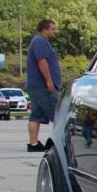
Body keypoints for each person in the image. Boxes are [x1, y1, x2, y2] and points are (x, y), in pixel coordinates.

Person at [25, 19, 62, 152]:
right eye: (52, 29)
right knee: (59, 115)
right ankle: (60, 144)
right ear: (44, 29)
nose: (54, 31)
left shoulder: (37, 41)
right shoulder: (40, 41)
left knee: (36, 115)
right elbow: (42, 62)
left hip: (35, 86)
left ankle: (33, 144)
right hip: (44, 87)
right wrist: (49, 81)